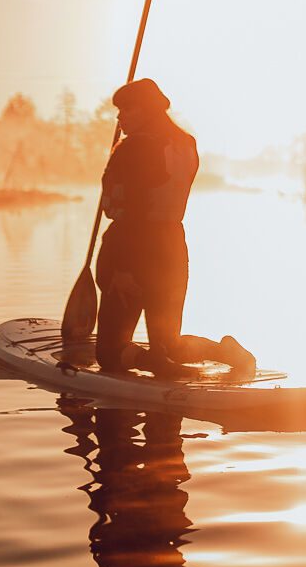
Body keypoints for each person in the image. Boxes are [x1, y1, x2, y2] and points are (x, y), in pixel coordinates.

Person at [95, 78, 253, 376]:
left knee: (110, 352)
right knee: (169, 343)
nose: (119, 117)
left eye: (126, 109)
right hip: (171, 250)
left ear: (144, 109)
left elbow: (127, 210)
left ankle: (154, 364)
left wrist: (122, 269)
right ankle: (223, 352)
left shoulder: (134, 148)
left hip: (131, 249)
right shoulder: (186, 143)